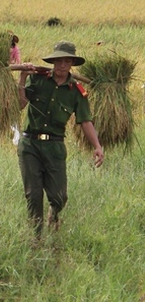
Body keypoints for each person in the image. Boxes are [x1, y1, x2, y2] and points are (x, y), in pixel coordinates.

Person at [16, 40, 104, 238]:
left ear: (72, 63)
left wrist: (97, 146)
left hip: (54, 146)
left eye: (66, 61)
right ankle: (36, 238)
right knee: (33, 194)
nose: (61, 65)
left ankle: (54, 214)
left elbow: (85, 121)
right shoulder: (38, 80)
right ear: (53, 62)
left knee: (59, 197)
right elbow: (21, 104)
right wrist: (22, 78)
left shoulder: (77, 91)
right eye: (58, 61)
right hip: (30, 145)